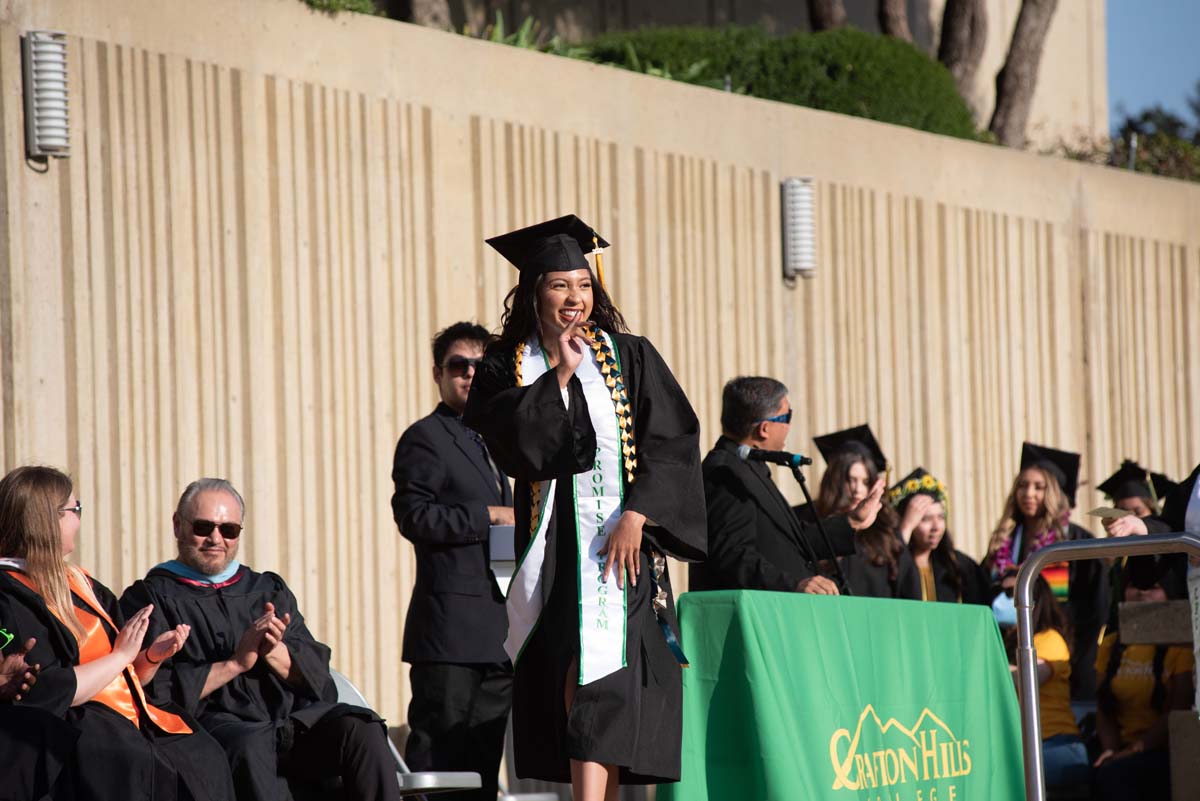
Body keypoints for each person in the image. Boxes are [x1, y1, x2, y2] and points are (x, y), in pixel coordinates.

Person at [462, 214, 707, 800]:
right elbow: (515, 447)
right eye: (559, 285)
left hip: (623, 542)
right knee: (575, 666)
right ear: (533, 293)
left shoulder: (630, 356)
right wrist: (563, 377)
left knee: (613, 677)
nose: (575, 298)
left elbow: (671, 442)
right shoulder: (507, 365)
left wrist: (638, 515)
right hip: (554, 546)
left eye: (584, 285)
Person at [119, 478, 400, 801]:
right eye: (203, 527)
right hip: (216, 731)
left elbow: (319, 679)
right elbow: (150, 693)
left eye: (229, 530)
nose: (216, 539)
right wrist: (235, 664)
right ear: (178, 525)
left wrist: (274, 650)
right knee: (252, 745)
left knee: (360, 728)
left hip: (287, 723)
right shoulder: (152, 597)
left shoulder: (267, 590)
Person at [0, 465, 236, 801]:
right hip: (83, 731)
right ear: (47, 520)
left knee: (203, 754)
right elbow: (50, 691)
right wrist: (121, 655)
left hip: (127, 719)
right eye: (74, 510)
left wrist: (149, 656)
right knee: (134, 762)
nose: (79, 520)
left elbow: (123, 679)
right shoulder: (9, 596)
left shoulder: (80, 583)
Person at [391, 321, 514, 801]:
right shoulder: (426, 438)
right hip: (448, 633)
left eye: (478, 367)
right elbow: (413, 516)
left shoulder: (501, 441)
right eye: (457, 365)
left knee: (482, 764)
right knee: (440, 761)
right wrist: (487, 515)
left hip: (500, 631)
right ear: (438, 374)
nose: (468, 374)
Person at [691, 376, 883, 594]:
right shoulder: (725, 473)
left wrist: (851, 521)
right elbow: (732, 555)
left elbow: (792, 541)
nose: (790, 426)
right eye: (787, 416)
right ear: (764, 428)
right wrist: (794, 584)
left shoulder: (750, 467)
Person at [983, 442, 1106, 700]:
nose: (1029, 493)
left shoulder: (1073, 540)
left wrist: (1077, 659)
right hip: (1010, 651)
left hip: (1061, 656)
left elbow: (1095, 607)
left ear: (1053, 492)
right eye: (1023, 485)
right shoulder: (1002, 541)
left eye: (1039, 487)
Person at [1091, 560, 1194, 801]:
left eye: (1153, 586)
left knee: (1116, 776)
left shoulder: (1181, 646)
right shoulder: (1110, 643)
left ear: (1169, 594)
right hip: (1119, 748)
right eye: (1135, 586)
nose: (1142, 592)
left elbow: (1178, 709)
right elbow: (1102, 709)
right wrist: (1110, 749)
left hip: (1162, 749)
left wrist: (1132, 751)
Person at [810, 426, 920, 600]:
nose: (857, 490)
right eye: (850, 480)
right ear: (835, 481)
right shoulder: (813, 527)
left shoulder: (886, 534)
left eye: (865, 481)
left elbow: (909, 591)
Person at [1003, 574, 1090, 788]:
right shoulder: (1007, 642)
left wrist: (989, 665)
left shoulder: (1050, 638)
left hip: (1057, 745)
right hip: (1023, 746)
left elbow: (1027, 678)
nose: (1001, 600)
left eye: (1007, 594)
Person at [888, 468, 988, 604]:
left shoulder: (959, 565)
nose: (936, 527)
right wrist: (905, 529)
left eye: (941, 517)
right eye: (926, 519)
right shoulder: (892, 566)